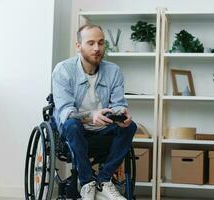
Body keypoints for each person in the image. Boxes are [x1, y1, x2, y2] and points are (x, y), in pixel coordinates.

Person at [52, 24, 137, 200]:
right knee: (71, 124)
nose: (97, 48)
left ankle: (104, 180)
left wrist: (121, 113)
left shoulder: (113, 71)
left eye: (100, 43)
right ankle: (86, 183)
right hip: (75, 133)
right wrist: (91, 116)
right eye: (90, 43)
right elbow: (66, 112)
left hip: (102, 131)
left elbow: (118, 103)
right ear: (78, 46)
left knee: (130, 126)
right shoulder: (63, 70)